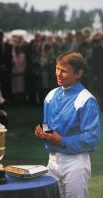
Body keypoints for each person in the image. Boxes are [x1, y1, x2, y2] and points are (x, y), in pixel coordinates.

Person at [35, 51, 101, 198]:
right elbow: (47, 124)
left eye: (64, 71)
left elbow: (92, 137)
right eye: (57, 69)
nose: (58, 74)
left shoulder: (86, 99)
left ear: (78, 74)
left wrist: (62, 140)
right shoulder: (50, 95)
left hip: (75, 162)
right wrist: (42, 132)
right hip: (52, 161)